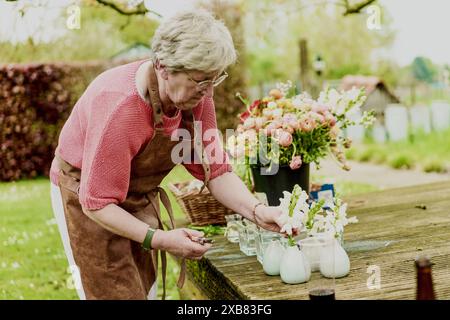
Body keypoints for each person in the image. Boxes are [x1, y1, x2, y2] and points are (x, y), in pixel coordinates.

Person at [49, 9, 286, 300]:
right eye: (200, 80)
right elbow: (97, 203)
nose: (208, 90)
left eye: (214, 79)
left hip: (136, 192)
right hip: (84, 195)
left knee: (144, 287)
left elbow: (216, 171)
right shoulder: (119, 107)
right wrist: (159, 239)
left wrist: (257, 211)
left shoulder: (198, 96)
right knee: (113, 289)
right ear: (162, 67)